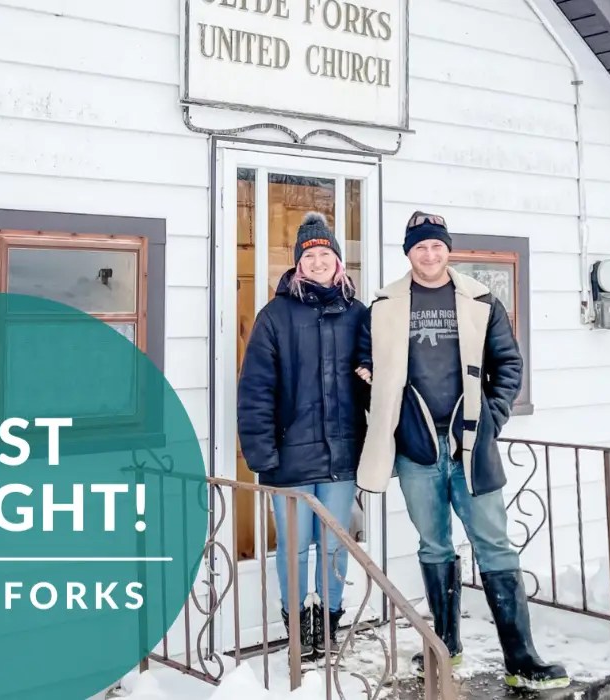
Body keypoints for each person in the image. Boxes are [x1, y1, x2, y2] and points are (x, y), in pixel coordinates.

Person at [353, 212, 569, 690]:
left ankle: (522, 658)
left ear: (447, 250)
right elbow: (366, 359)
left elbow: (508, 363)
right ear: (407, 253)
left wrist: (493, 415)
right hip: (415, 448)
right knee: (434, 545)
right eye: (419, 248)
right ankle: (445, 648)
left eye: (436, 246)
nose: (428, 255)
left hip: (471, 446)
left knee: (494, 543)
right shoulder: (385, 304)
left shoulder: (481, 300)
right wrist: (369, 376)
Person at [237, 211, 369, 663]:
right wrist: (262, 456)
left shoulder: (358, 314)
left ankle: (328, 622)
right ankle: (297, 624)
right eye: (309, 255)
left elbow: (378, 379)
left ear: (338, 262)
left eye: (325, 253)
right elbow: (256, 389)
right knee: (294, 549)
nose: (317, 261)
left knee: (334, 545)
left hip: (341, 458)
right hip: (290, 460)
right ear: (297, 263)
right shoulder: (275, 316)